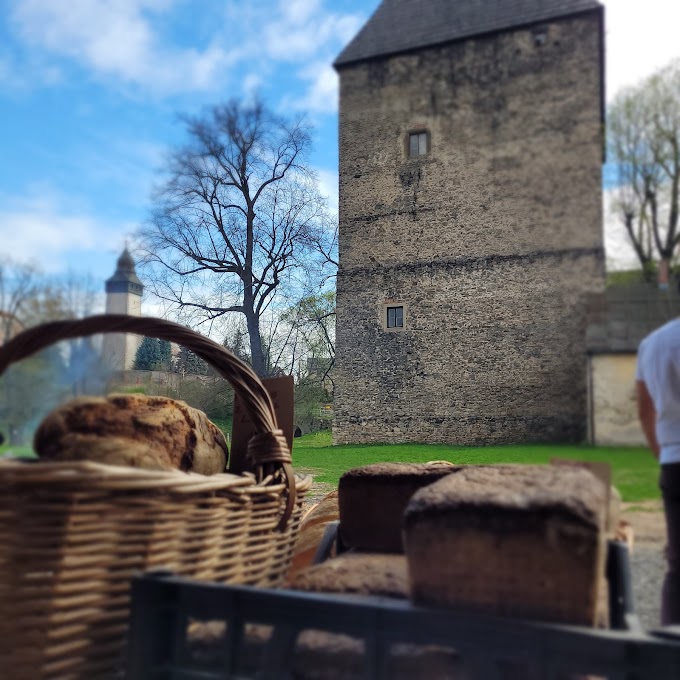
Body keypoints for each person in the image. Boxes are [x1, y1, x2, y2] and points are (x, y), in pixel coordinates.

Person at [636, 317, 680, 625]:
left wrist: (660, 450)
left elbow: (644, 409)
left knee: (678, 566)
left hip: (674, 462)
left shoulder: (653, 343)